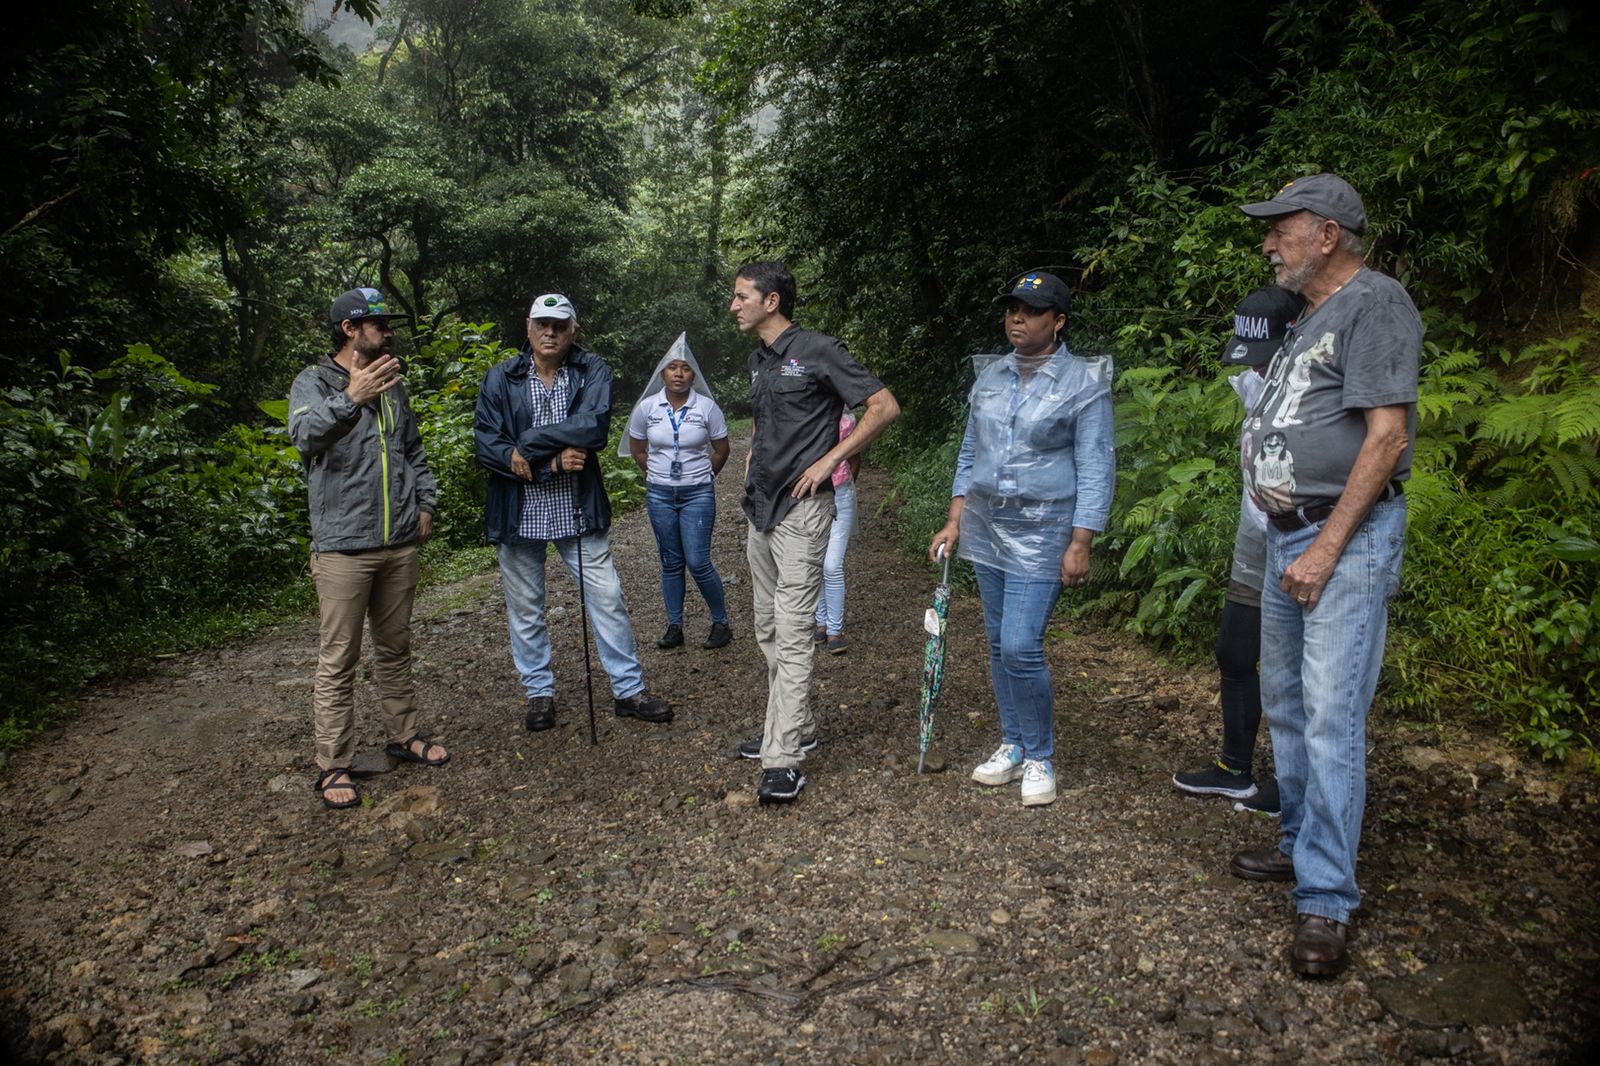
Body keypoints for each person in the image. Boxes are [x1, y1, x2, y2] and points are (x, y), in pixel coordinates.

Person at [1229, 174, 1421, 978]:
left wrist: (1326, 546)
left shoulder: (1375, 304)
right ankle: (1299, 847)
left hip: (1338, 540)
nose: (1270, 241)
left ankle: (1327, 899)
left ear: (1329, 234)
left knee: (1333, 715)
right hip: (1286, 537)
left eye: (1283, 228)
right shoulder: (1310, 314)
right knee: (1287, 704)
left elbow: (1388, 439)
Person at [928, 271, 1114, 808]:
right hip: (987, 523)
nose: (1017, 318)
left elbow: (1097, 466)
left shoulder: (1083, 382)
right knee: (995, 642)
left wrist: (1081, 542)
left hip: (1046, 528)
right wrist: (955, 519)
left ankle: (1040, 755)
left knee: (1020, 643)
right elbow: (970, 454)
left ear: (1058, 321)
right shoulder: (990, 378)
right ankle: (1011, 742)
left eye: (1031, 311)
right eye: (1012, 309)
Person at [730, 261, 900, 803]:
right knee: (766, 627)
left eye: (741, 297)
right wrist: (755, 454)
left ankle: (783, 758)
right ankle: (793, 722)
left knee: (795, 626)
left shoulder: (820, 350)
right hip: (761, 509)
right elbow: (765, 422)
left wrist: (830, 461)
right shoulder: (758, 361)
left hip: (803, 512)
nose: (733, 306)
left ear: (771, 301)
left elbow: (883, 406)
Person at [474, 293, 671, 733]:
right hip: (518, 509)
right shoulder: (499, 378)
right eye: (542, 324)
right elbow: (486, 444)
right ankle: (539, 693)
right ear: (527, 327)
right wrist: (551, 461)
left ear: (573, 331)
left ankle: (628, 690)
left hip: (577, 508)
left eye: (559, 326)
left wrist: (523, 446)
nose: (550, 332)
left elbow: (592, 428)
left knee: (607, 598)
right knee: (525, 607)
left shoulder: (592, 369)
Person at [288, 287, 448, 810]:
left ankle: (403, 737)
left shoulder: (392, 383)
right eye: (376, 322)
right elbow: (304, 437)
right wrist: (349, 398)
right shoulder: (312, 383)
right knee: (339, 659)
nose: (387, 329)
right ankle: (334, 764)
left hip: (398, 542)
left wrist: (424, 503)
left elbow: (413, 449)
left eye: (386, 322)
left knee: (395, 648)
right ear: (348, 329)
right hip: (343, 548)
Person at [1172, 285, 1306, 817]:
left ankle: (1295, 785)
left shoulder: (1314, 379)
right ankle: (1234, 769)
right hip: (1256, 532)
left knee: (1294, 667)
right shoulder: (1253, 379)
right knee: (1234, 649)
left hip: (1303, 533)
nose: (1254, 366)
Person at [624, 334, 734, 651]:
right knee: (671, 563)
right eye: (672, 368)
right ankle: (675, 626)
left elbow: (722, 449)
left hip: (697, 495)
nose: (678, 374)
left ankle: (721, 622)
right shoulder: (647, 408)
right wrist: (657, 474)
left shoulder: (707, 408)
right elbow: (637, 448)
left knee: (698, 561)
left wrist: (702, 475)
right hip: (659, 495)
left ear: (693, 375)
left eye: (685, 369)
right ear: (663, 373)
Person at [811, 410, 859, 654]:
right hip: (812, 496)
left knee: (832, 564)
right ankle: (821, 623)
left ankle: (834, 631)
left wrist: (845, 490)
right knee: (818, 560)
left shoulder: (847, 421)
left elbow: (854, 459)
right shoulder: (806, 416)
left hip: (841, 495)